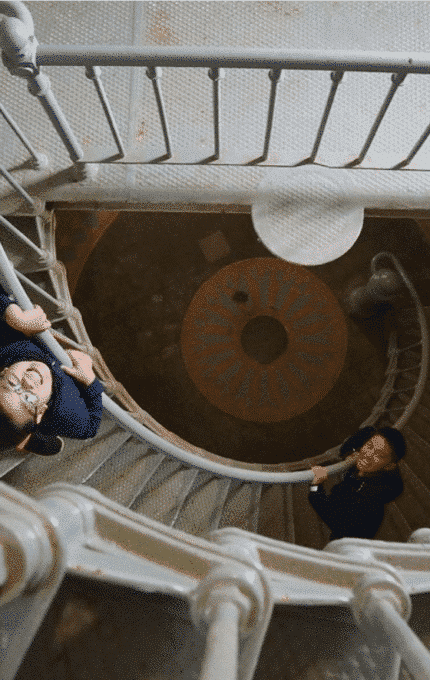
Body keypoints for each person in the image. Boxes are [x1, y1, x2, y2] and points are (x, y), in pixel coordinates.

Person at [0, 286, 104, 455]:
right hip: (43, 425)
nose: (26, 383)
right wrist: (90, 382)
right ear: (40, 412)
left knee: (16, 428)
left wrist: (11, 314)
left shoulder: (6, 347)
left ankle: (23, 437)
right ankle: (29, 441)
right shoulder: (68, 414)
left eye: (12, 384)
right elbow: (91, 428)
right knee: (27, 434)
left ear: (3, 372)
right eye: (28, 400)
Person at [309, 426, 406, 541]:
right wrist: (354, 451)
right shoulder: (378, 474)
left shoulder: (368, 499)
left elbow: (332, 517)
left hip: (346, 542)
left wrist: (315, 487)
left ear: (389, 466)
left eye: (379, 455)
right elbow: (346, 448)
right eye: (369, 446)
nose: (368, 455)